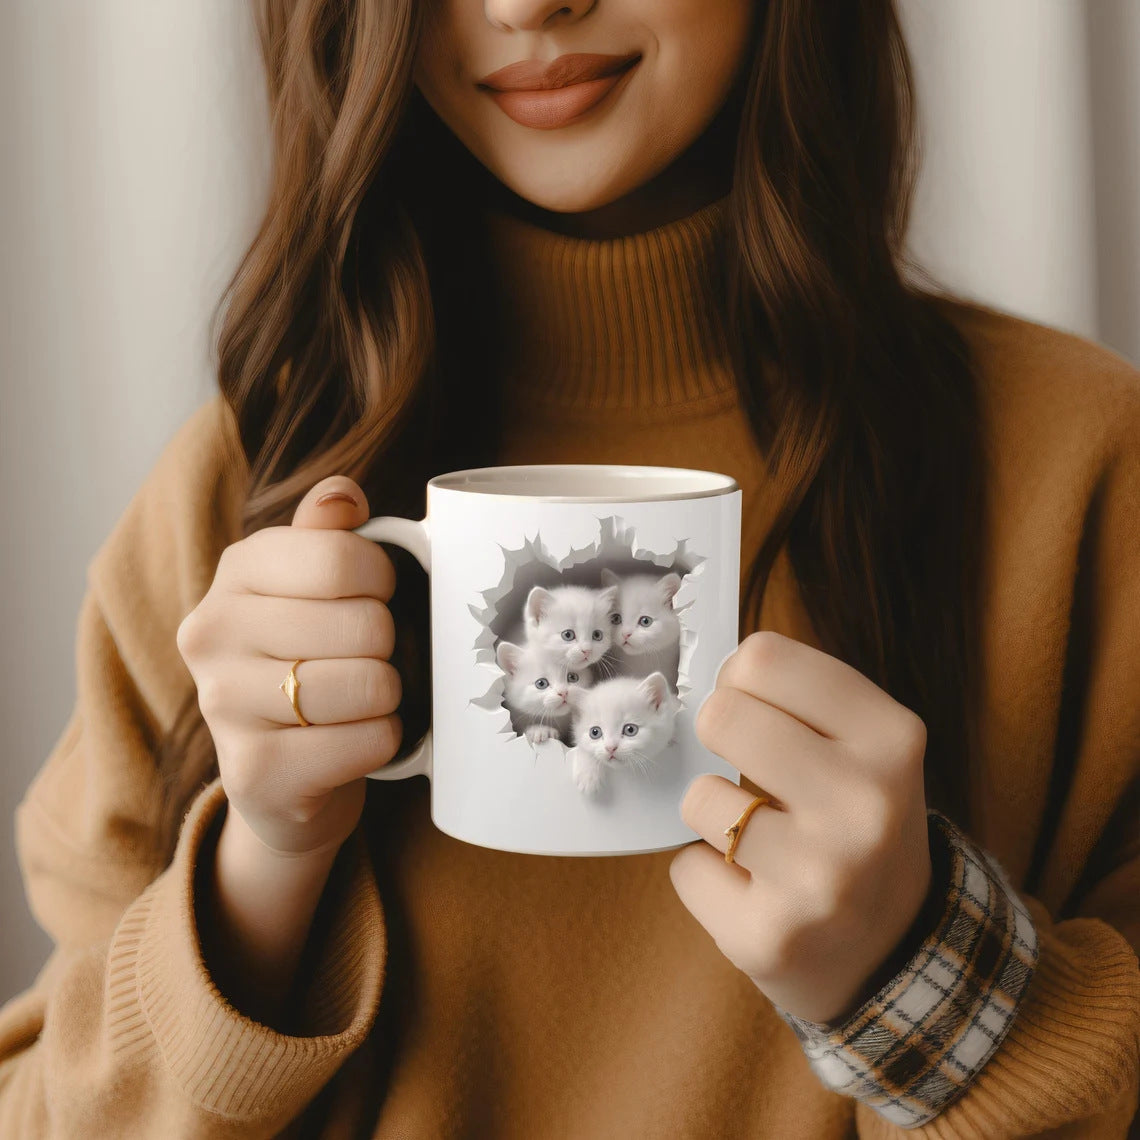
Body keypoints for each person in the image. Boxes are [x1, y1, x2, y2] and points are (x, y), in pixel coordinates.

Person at [2, 0, 1138, 1135]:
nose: (523, 6)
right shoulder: (252, 490)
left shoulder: (1080, 471)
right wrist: (260, 869)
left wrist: (920, 980)